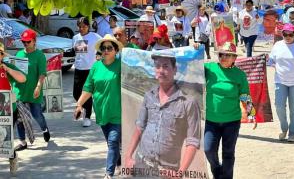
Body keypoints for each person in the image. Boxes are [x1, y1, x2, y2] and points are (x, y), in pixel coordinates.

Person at [124, 50, 201, 175]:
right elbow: (139, 127)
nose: (161, 70)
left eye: (165, 66)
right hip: (140, 165)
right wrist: (128, 157)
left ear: (175, 69)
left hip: (167, 172)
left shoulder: (188, 102)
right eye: (157, 66)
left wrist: (180, 173)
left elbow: (193, 141)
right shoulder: (149, 96)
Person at [194, 41, 254, 179]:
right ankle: (217, 170)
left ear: (234, 58)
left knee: (228, 153)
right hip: (211, 120)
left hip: (232, 121)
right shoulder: (209, 68)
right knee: (208, 149)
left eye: (228, 55)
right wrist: (196, 50)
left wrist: (251, 113)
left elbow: (245, 95)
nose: (223, 57)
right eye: (221, 54)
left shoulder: (239, 75)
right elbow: (192, 65)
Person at [74, 34, 123, 179]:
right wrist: (79, 105)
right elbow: (88, 88)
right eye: (103, 48)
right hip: (101, 111)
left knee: (113, 141)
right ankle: (119, 162)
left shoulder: (122, 65)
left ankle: (108, 174)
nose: (106, 50)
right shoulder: (95, 67)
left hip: (118, 112)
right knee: (111, 143)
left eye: (109, 48)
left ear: (115, 50)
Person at [14, 29, 50, 151]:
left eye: (27, 42)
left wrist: (38, 86)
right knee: (20, 117)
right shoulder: (19, 54)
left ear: (34, 41)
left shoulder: (39, 55)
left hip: (34, 91)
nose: (25, 44)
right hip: (20, 91)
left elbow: (42, 73)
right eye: (23, 42)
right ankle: (22, 141)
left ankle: (44, 128)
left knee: (37, 114)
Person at [0, 41, 27, 175]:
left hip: (8, 109)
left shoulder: (6, 67)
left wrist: (9, 69)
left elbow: (22, 79)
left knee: (6, 139)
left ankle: (12, 156)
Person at [72, 17, 102, 127]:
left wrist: (99, 55)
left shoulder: (95, 37)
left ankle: (87, 116)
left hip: (90, 69)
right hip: (78, 68)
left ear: (88, 26)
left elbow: (103, 45)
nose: (81, 29)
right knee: (76, 94)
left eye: (83, 27)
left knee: (87, 93)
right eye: (79, 27)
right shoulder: (75, 37)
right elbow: (75, 52)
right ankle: (82, 107)